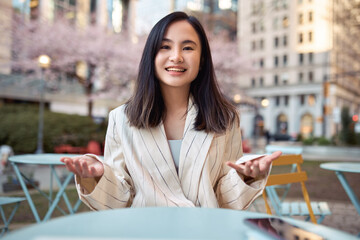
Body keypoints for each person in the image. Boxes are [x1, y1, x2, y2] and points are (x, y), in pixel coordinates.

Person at [61, 12, 281, 210]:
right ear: (151, 56)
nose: (176, 57)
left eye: (188, 47)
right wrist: (98, 177)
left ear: (202, 59)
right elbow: (120, 199)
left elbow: (224, 198)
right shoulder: (121, 119)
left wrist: (246, 178)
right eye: (165, 47)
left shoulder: (225, 118)